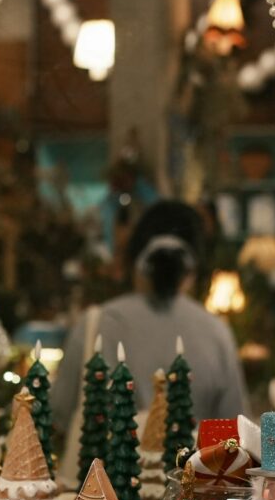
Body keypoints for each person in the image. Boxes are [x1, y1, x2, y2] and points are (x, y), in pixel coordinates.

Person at [52, 200, 247, 472]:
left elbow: (58, 416)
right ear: (191, 269)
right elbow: (234, 436)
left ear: (134, 260)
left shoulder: (94, 324)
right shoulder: (217, 333)